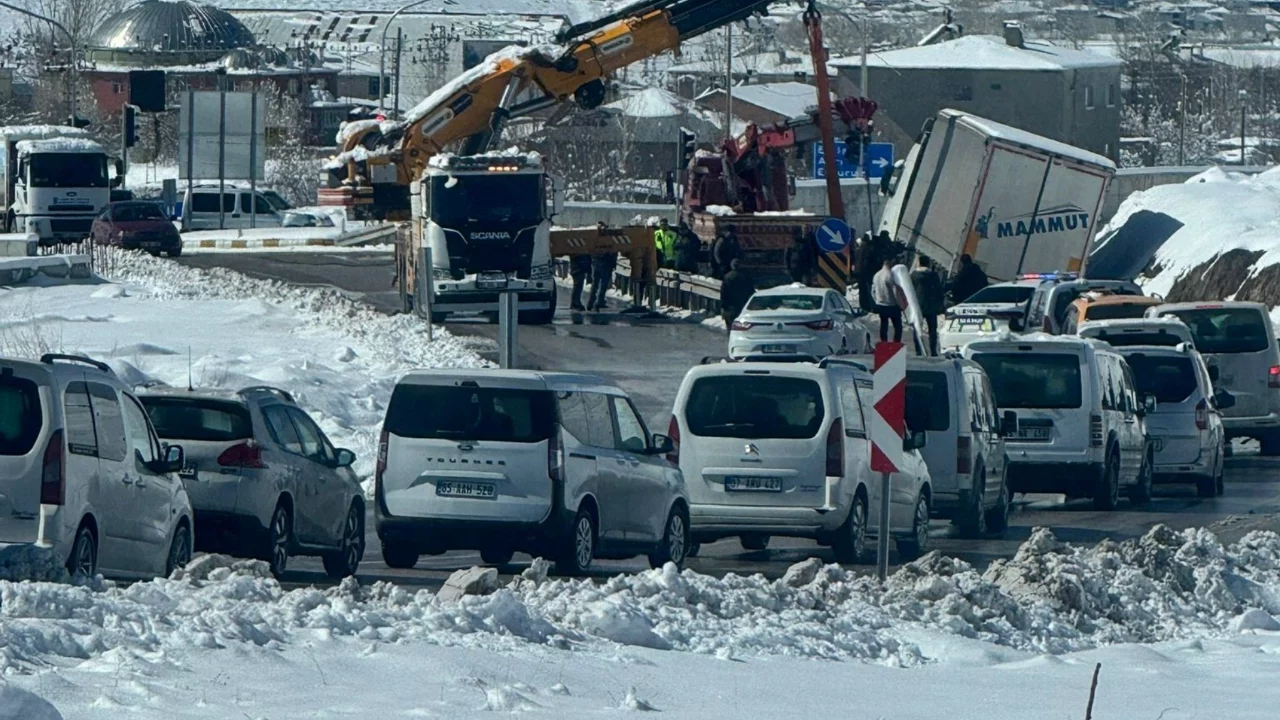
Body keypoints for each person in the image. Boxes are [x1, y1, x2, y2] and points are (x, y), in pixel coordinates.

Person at [911, 254, 946, 356]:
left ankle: (918, 350)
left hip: (918, 306)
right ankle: (933, 350)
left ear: (919, 263)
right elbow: (939, 290)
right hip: (931, 306)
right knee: (932, 330)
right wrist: (940, 303)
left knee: (917, 328)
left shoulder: (914, 275)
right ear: (928, 264)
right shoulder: (933, 275)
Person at [872, 256, 903, 344]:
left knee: (884, 325)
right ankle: (896, 343)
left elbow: (873, 290)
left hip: (881, 304)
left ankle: (884, 342)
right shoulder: (890, 275)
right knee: (898, 327)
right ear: (889, 262)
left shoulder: (877, 275)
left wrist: (877, 300)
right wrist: (900, 304)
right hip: (892, 305)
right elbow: (895, 291)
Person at [719, 259, 755, 334]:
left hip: (730, 307)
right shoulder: (746, 277)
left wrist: (723, 306)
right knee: (742, 329)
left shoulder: (727, 277)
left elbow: (723, 293)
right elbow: (751, 291)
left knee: (730, 329)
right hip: (742, 306)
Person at [630, 243, 658, 311]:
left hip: (643, 271)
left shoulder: (638, 247)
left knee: (641, 287)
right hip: (646, 271)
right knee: (643, 287)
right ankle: (648, 305)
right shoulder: (651, 248)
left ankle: (639, 303)